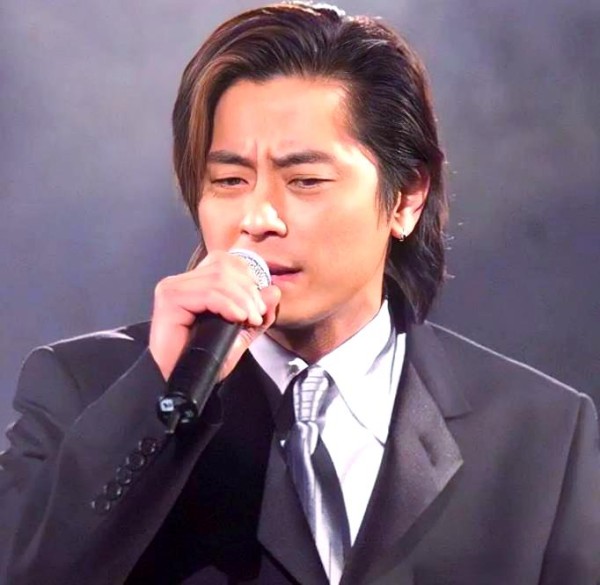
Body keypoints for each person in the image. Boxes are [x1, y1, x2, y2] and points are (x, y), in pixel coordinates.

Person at [1, 2, 598, 584]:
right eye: (229, 180)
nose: (259, 217)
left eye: (306, 180)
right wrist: (158, 396)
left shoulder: (542, 431)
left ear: (407, 197)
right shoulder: (83, 389)